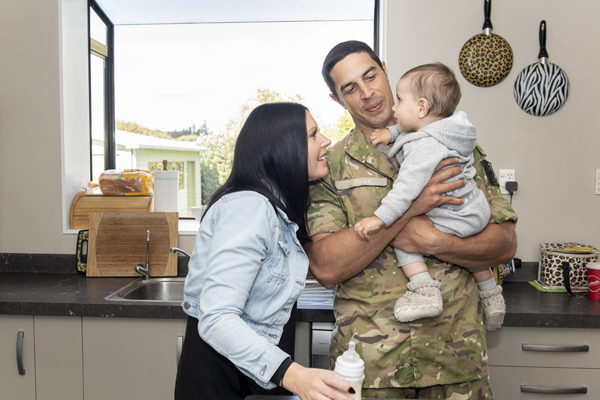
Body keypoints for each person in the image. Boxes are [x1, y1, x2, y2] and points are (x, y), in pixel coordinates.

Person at [304, 41, 518, 399]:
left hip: (456, 359)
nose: (367, 93)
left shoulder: (458, 148)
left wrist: (435, 242)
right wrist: (412, 210)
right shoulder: (331, 166)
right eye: (350, 88)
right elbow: (326, 268)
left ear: (385, 70)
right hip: (371, 368)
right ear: (337, 99)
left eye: (370, 76)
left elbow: (506, 244)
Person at [174, 102, 357, 400]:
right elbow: (217, 317)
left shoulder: (275, 209)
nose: (325, 141)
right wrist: (294, 375)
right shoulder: (250, 207)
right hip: (221, 379)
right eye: (313, 134)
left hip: (253, 373)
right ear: (284, 147)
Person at [353, 62, 505, 330]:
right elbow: (419, 127)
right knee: (469, 248)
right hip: (474, 210)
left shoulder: (424, 146)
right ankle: (491, 295)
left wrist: (379, 218)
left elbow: (407, 189)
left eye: (400, 101)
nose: (394, 108)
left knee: (403, 235)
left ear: (421, 108)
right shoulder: (450, 128)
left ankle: (424, 291)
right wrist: (392, 132)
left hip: (454, 214)